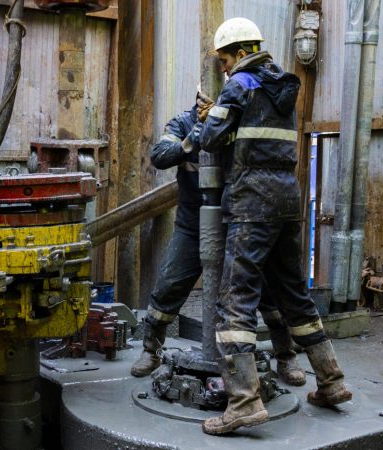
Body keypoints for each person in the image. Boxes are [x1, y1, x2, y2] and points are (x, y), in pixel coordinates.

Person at [198, 17, 352, 435]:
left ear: (242, 52)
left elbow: (212, 138)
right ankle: (332, 381)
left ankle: (244, 402)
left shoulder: (239, 85)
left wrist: (208, 116)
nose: (225, 67)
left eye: (226, 59)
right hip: (288, 198)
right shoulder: (283, 86)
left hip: (252, 202)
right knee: (294, 295)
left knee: (235, 300)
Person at [130, 97, 307, 389]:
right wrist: (196, 136)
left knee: (267, 293)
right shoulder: (183, 123)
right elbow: (160, 155)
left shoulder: (237, 123)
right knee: (169, 284)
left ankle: (286, 356)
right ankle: (151, 351)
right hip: (192, 224)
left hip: (237, 223)